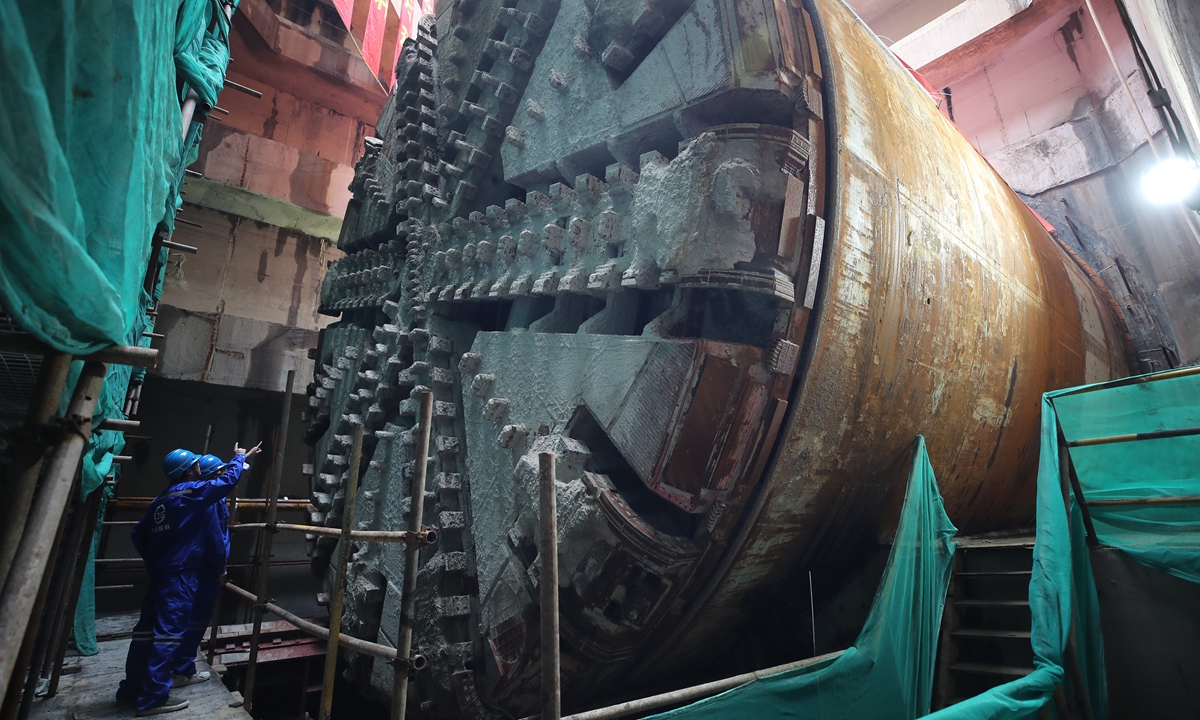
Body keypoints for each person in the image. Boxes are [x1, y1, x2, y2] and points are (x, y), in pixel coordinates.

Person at [117, 442, 262, 715]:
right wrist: (238, 457)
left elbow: (138, 535)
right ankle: (152, 698)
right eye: (195, 464)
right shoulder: (193, 494)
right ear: (189, 471)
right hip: (181, 575)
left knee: (146, 632)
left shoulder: (161, 499)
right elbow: (226, 482)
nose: (198, 466)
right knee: (168, 635)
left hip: (162, 574)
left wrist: (156, 561)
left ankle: (130, 689)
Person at [167, 453, 234, 686]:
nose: (224, 474)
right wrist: (221, 567)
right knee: (196, 620)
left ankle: (175, 666)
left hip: (190, 567)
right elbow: (215, 538)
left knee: (183, 619)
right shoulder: (209, 501)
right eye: (221, 471)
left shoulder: (185, 496)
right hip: (205, 569)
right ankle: (181, 669)